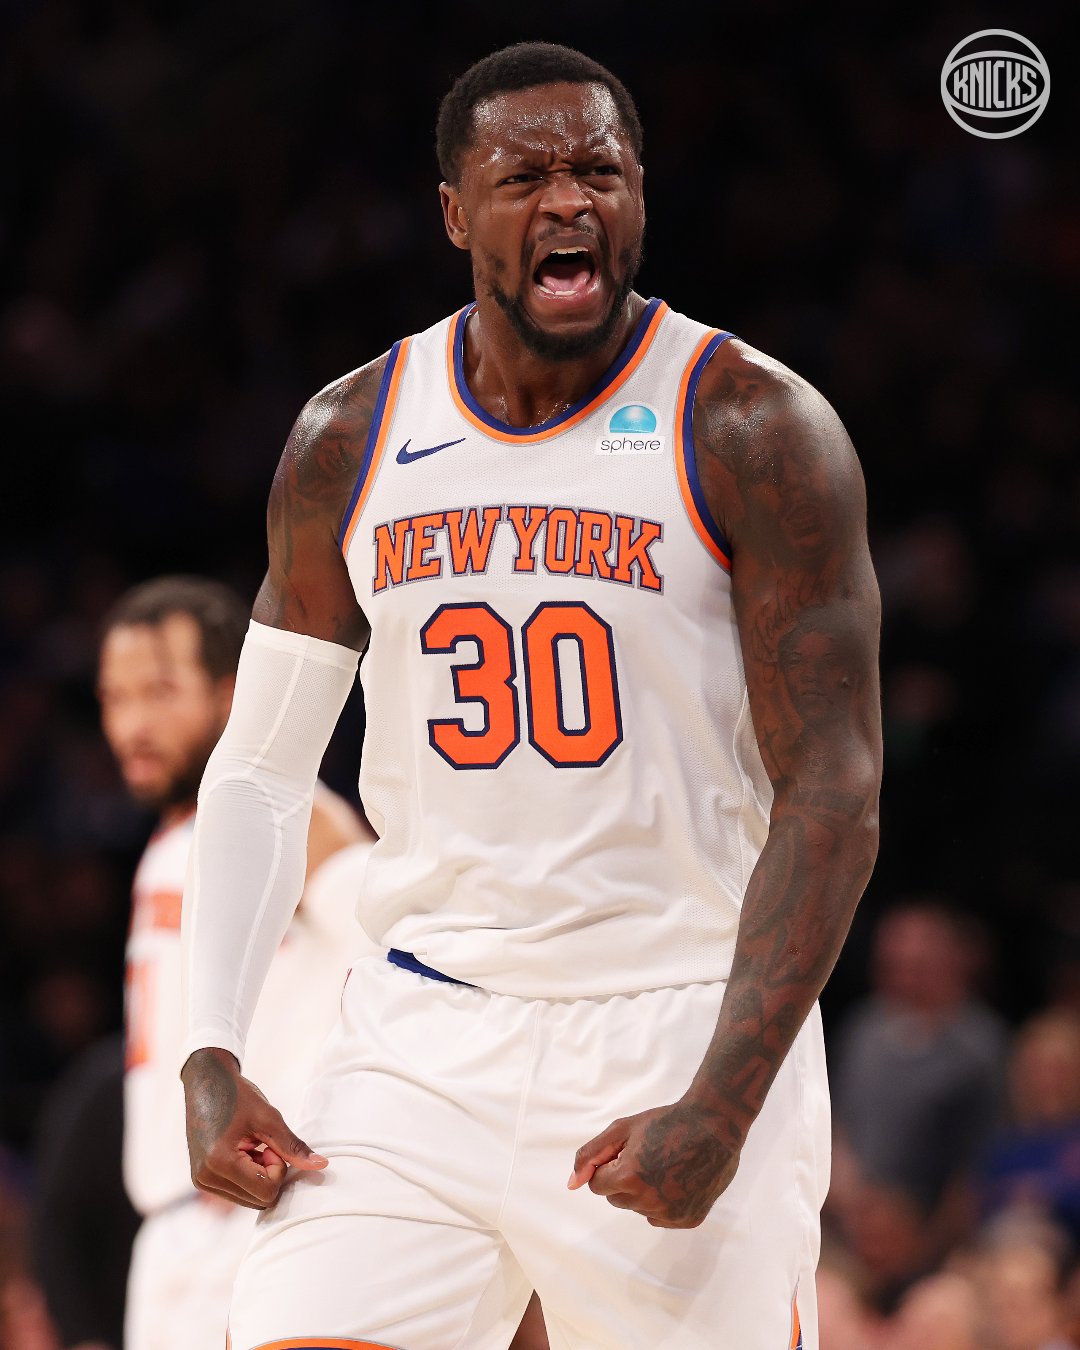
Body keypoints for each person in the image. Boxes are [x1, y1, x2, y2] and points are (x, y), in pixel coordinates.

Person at [179, 41, 881, 1350]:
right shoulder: (351, 435)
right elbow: (262, 768)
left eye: (599, 172)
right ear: (456, 212)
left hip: (676, 1016)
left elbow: (833, 785)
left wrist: (726, 1098)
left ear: (639, 196)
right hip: (417, 1031)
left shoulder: (752, 427)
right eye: (526, 177)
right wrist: (210, 1043)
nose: (569, 200)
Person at [96, 576, 377, 1349]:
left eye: (160, 692)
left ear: (231, 694)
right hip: (171, 1230)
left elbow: (390, 946)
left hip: (255, 1214)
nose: (133, 724)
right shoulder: (168, 842)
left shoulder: (296, 821)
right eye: (115, 698)